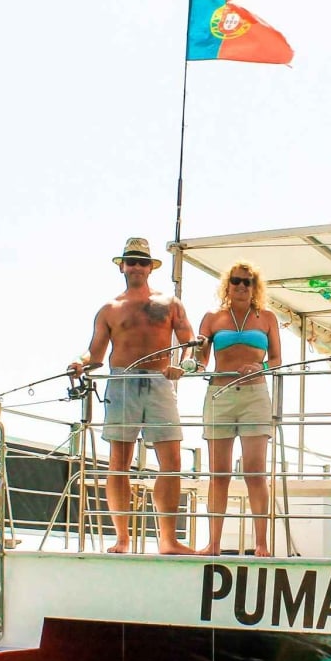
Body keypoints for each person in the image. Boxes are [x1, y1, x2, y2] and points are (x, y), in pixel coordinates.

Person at [67, 237, 196, 555]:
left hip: (159, 382)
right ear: (122, 266)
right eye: (131, 261)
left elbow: (189, 339)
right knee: (118, 462)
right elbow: (96, 352)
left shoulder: (170, 303)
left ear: (151, 267)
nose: (136, 266)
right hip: (122, 383)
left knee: (172, 461)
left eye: (142, 261)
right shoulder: (109, 308)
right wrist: (80, 363)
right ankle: (122, 538)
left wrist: (182, 366)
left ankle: (168, 539)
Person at [191, 261, 283, 556]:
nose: (242, 286)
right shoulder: (212, 318)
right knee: (219, 473)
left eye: (248, 282)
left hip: (255, 394)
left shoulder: (267, 317)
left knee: (255, 472)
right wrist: (190, 358)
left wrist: (261, 365)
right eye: (236, 281)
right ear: (227, 285)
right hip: (220, 394)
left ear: (255, 287)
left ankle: (261, 543)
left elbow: (279, 359)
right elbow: (199, 359)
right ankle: (214, 543)